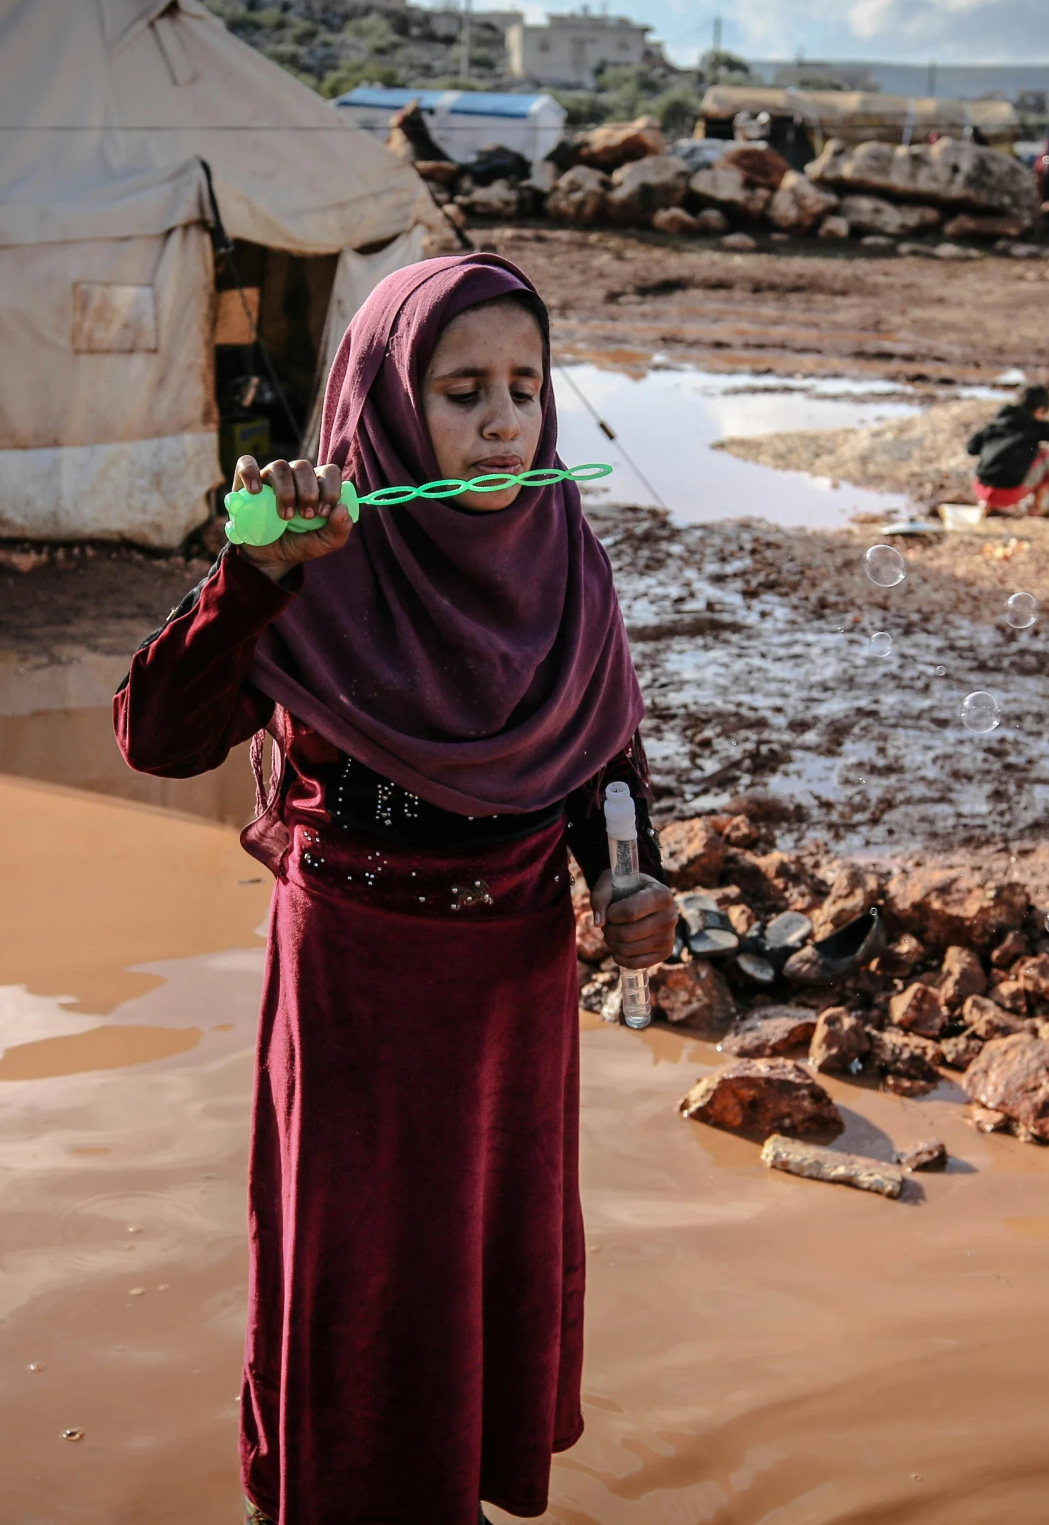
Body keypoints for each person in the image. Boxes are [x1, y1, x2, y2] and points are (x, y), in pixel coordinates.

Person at [113, 253, 676, 1524]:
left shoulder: (571, 569)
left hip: (512, 988)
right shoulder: (314, 558)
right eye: (461, 387)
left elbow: (604, 774)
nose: (500, 422)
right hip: (358, 986)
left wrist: (632, 892)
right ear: (383, 400)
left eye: (525, 387)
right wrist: (249, 576)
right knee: (358, 1272)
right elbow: (156, 737)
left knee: (479, 1266)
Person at [965, 384, 1049, 515]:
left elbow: (970, 449)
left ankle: (985, 505)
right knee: (1047, 456)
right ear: (1040, 410)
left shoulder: (995, 424)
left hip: (981, 488)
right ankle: (1036, 508)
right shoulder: (1034, 427)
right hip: (1009, 493)